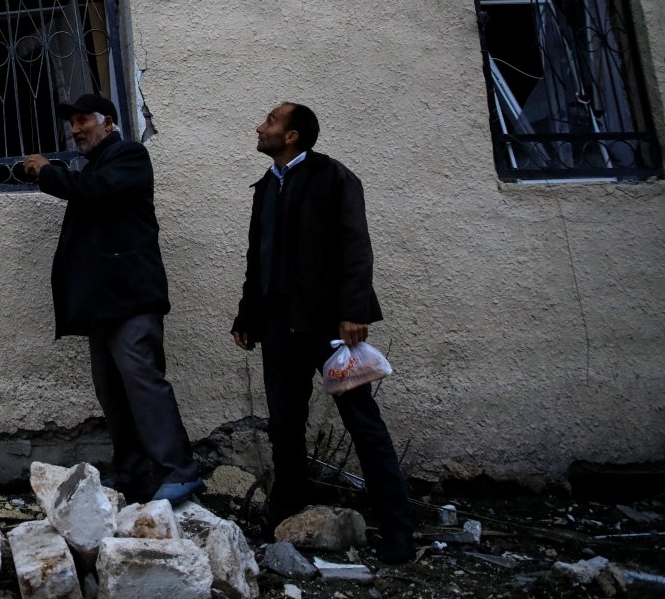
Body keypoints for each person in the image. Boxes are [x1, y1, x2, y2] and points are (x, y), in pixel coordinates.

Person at [231, 102, 414, 562]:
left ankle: (398, 531)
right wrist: (247, 316)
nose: (260, 125)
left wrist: (353, 311)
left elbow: (356, 244)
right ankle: (286, 515)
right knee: (285, 425)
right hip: (278, 327)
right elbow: (261, 259)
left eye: (270, 120)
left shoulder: (333, 177)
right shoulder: (266, 188)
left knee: (363, 424)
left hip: (333, 330)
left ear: (292, 135)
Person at [24, 93, 204, 504]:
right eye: (72, 123)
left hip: (130, 300)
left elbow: (94, 192)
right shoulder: (94, 166)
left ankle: (180, 470)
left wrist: (48, 171)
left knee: (142, 383)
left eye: (83, 120)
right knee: (113, 391)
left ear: (108, 123)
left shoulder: (128, 155)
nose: (75, 129)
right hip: (102, 305)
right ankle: (134, 478)